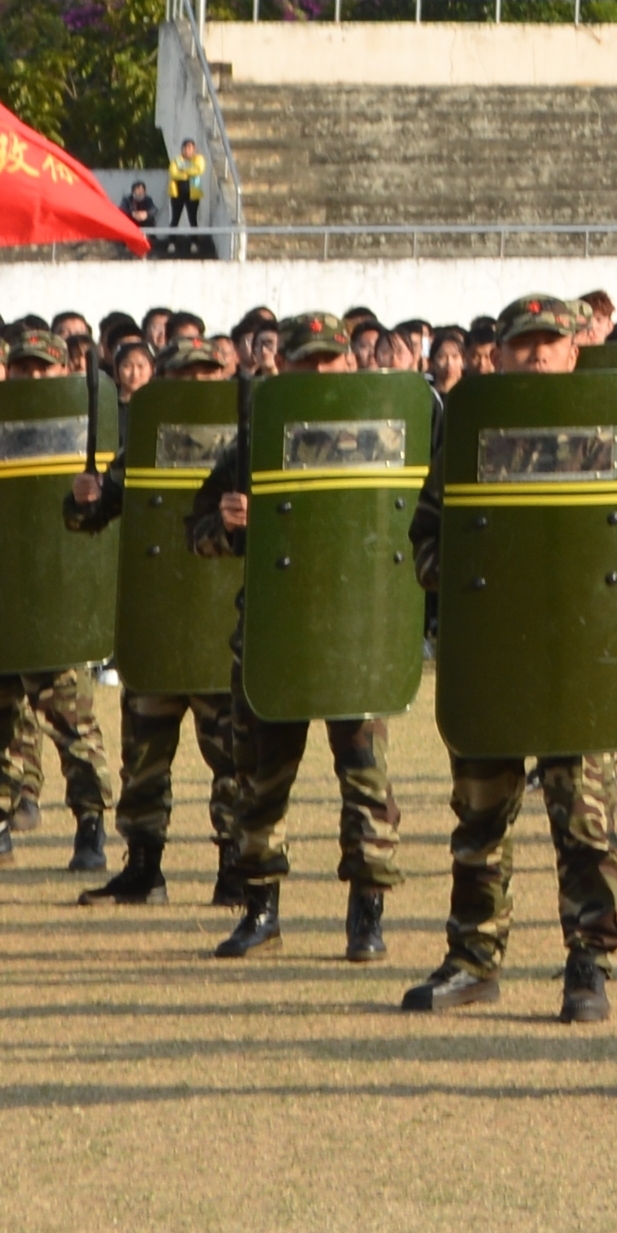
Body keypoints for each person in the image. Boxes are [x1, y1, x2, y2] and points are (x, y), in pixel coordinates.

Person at [397, 294, 617, 1025]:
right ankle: (473, 958)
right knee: (480, 819)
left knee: (583, 819)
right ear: (496, 353)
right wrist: (471, 566)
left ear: (573, 351)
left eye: (548, 342)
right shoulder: (467, 433)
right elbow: (425, 541)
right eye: (521, 342)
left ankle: (588, 961)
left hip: (576, 654)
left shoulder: (608, 430)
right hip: (493, 650)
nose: (534, 354)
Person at [189, 312, 409, 964]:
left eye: (327, 360)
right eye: (302, 360)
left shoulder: (381, 436)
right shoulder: (253, 443)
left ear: (349, 364)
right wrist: (226, 525)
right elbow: (194, 529)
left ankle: (367, 913)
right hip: (274, 630)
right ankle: (260, 908)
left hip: (356, 628)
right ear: (279, 366)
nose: (315, 373)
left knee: (367, 782)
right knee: (260, 777)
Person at [0, 328, 121, 873]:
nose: (32, 378)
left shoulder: (85, 430)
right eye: (24, 368)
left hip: (56, 598)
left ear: (62, 372)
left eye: (43, 369)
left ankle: (90, 829)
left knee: (72, 724)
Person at [60, 335, 238, 906]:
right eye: (185, 378)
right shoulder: (141, 448)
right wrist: (83, 499)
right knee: (143, 760)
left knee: (233, 761)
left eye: (207, 377)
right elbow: (91, 517)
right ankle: (143, 866)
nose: (197, 388)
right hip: (157, 622)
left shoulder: (247, 446)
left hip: (220, 628)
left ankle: (237, 865)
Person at [166, 140, 206, 230]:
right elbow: (173, 173)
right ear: (182, 149)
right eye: (185, 148)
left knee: (193, 220)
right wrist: (188, 174)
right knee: (175, 219)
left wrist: (183, 170)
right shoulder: (176, 160)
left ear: (194, 149)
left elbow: (199, 170)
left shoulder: (198, 159)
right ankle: (171, 241)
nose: (187, 150)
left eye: (190, 148)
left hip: (192, 195)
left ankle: (194, 241)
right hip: (177, 194)